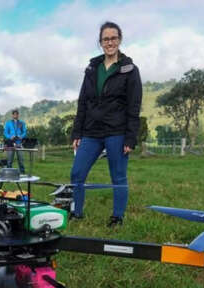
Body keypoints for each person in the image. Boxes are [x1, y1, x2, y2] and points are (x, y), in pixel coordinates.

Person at [70, 21, 142, 227]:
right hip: (91, 131)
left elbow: (134, 105)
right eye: (106, 39)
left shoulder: (129, 69)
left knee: (118, 176)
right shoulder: (92, 68)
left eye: (113, 38)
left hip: (116, 131)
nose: (110, 42)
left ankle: (117, 217)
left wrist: (130, 137)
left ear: (120, 40)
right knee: (77, 173)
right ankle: (77, 212)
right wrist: (77, 133)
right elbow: (83, 101)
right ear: (100, 42)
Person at [3, 109, 27, 174]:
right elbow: (5, 132)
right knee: (9, 160)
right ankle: (9, 173)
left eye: (17, 114)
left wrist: (21, 136)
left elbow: (25, 132)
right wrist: (10, 137)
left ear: (18, 115)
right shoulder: (8, 123)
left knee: (21, 159)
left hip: (19, 143)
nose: (15, 115)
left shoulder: (22, 123)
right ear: (12, 115)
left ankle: (22, 173)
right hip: (11, 143)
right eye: (14, 114)